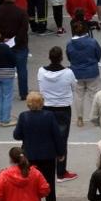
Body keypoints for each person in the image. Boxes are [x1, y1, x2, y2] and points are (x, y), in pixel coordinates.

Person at [13, 92, 65, 201]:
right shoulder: (49, 116)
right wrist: (60, 152)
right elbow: (57, 135)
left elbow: (16, 135)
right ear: (41, 103)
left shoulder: (23, 116)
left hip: (29, 155)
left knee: (31, 182)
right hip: (47, 155)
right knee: (49, 182)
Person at [36, 48, 77, 183]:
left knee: (46, 138)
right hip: (63, 109)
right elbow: (73, 87)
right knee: (61, 140)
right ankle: (60, 172)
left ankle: (45, 170)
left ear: (49, 57)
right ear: (61, 58)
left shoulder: (41, 71)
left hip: (46, 107)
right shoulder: (68, 72)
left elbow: (41, 86)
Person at [65, 22, 101, 128]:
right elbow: (98, 53)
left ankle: (80, 118)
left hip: (76, 72)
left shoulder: (69, 44)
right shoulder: (92, 42)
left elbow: (69, 57)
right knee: (93, 95)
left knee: (78, 96)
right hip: (92, 71)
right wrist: (94, 62)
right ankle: (95, 118)